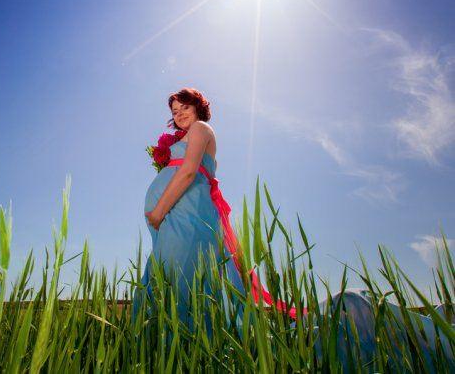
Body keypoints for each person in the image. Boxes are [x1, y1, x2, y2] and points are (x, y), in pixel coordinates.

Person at [132, 87, 453, 371]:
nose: (179, 114)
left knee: (187, 285)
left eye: (183, 106)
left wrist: (159, 211)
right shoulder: (183, 136)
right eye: (174, 111)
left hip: (186, 219)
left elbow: (188, 173)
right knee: (169, 287)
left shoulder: (202, 128)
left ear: (197, 106)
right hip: (176, 219)